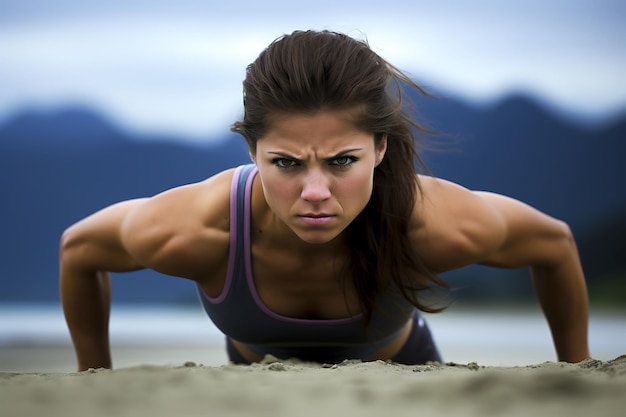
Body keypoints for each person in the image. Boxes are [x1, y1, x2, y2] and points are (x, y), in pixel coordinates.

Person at [60, 30, 590, 371]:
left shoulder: (430, 223)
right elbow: (79, 250)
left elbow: (553, 244)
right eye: (287, 163)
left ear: (380, 148)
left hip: (403, 364)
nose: (315, 193)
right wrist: (92, 376)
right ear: (252, 150)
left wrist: (578, 369)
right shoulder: (200, 230)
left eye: (342, 161)